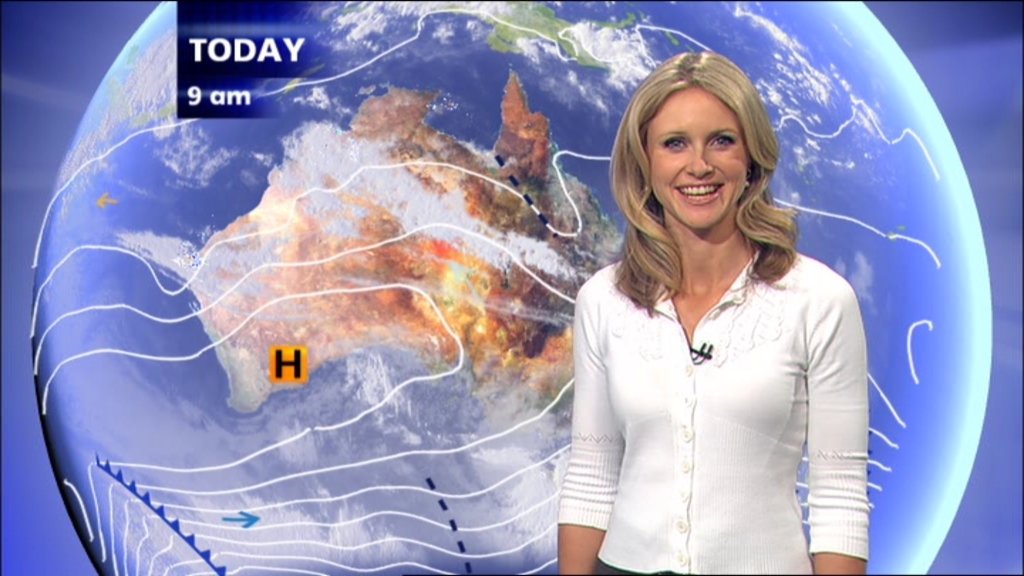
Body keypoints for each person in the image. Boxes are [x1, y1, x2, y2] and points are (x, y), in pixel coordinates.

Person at [557, 51, 870, 575]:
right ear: (645, 162)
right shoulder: (603, 299)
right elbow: (591, 477)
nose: (698, 165)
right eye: (674, 143)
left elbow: (839, 497)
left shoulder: (819, 300)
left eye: (721, 141)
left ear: (751, 160)